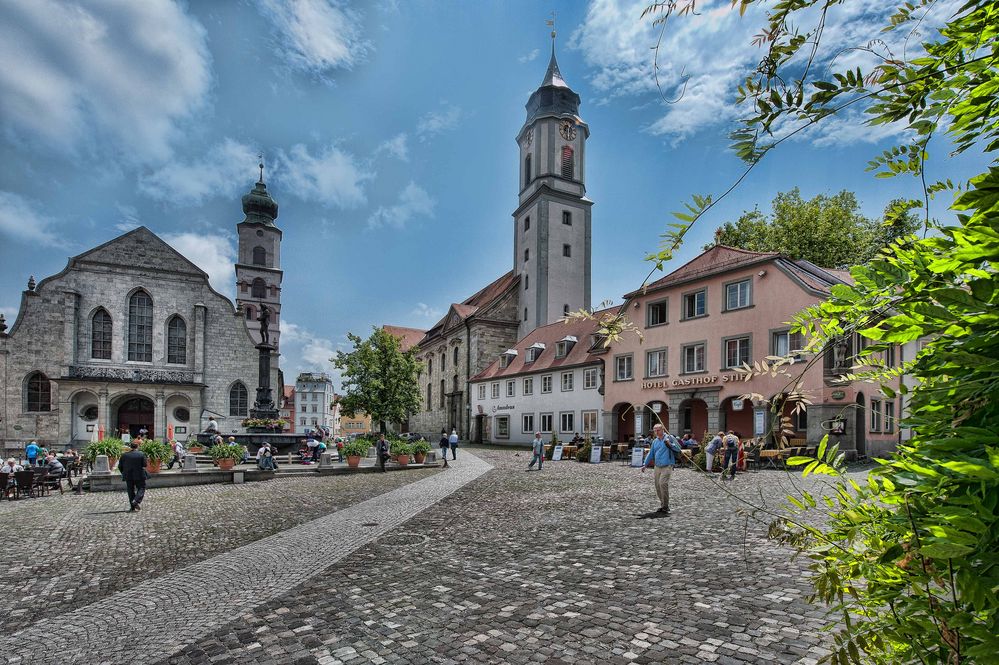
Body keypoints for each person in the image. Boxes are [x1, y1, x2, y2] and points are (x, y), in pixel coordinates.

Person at [641, 424, 681, 515]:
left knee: (663, 483)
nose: (656, 432)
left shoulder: (669, 438)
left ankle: (666, 506)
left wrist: (670, 444)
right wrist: (645, 464)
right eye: (655, 430)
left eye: (658, 430)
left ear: (663, 430)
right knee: (657, 486)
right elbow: (651, 453)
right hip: (657, 466)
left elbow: (678, 449)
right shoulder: (655, 441)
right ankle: (663, 505)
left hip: (667, 465)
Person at [118, 441, 148, 512]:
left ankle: (132, 507)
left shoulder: (124, 455)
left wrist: (124, 473)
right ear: (137, 447)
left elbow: (120, 466)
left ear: (130, 447)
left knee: (130, 490)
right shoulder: (141, 454)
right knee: (141, 488)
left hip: (128, 475)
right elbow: (145, 465)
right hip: (139, 475)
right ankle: (136, 500)